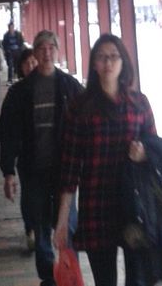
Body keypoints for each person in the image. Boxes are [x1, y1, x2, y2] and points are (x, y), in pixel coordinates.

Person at [54, 33, 156, 286]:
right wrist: (62, 220)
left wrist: (144, 153)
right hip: (97, 205)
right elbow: (70, 167)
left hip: (134, 205)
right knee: (105, 280)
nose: (108, 63)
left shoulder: (139, 104)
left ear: (123, 63)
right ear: (94, 64)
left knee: (139, 278)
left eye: (113, 57)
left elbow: (156, 150)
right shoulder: (80, 108)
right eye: (101, 57)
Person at [0, 30, 83, 286]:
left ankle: (69, 275)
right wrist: (8, 172)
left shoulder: (70, 87)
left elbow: (90, 118)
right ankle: (49, 277)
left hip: (64, 171)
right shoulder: (20, 92)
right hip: (33, 170)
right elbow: (10, 132)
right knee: (40, 223)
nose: (47, 53)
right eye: (41, 48)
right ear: (34, 53)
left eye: (51, 48)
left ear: (57, 51)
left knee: (67, 224)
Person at [0, 47, 38, 250]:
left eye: (34, 62)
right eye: (27, 63)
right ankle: (31, 230)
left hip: (50, 157)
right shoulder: (15, 93)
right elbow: (6, 123)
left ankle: (43, 229)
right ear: (20, 67)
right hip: (26, 157)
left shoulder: (55, 88)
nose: (31, 66)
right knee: (28, 195)